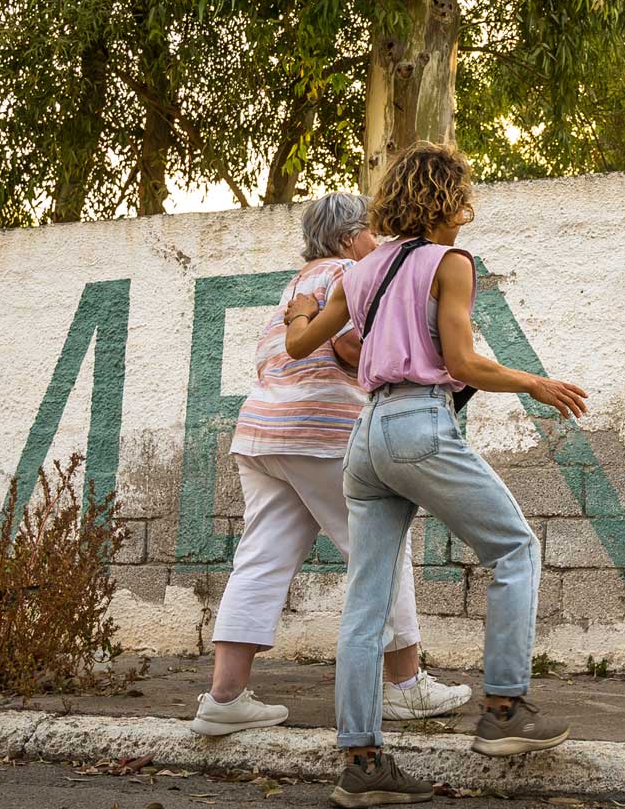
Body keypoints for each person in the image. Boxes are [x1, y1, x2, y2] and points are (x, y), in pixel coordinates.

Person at [286, 142, 588, 808]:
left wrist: (299, 311)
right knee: (514, 548)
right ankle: (505, 712)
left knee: (366, 603)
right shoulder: (449, 264)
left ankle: (362, 761)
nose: (467, 214)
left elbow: (301, 344)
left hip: (365, 439)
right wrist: (536, 384)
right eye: (463, 201)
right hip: (418, 425)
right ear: (446, 202)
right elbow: (464, 360)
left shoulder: (360, 272)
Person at [188, 193, 473, 738]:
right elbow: (349, 345)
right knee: (383, 548)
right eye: (371, 230)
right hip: (323, 434)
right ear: (349, 238)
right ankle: (406, 687)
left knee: (262, 559)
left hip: (262, 433)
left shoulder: (295, 285)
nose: (381, 239)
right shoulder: (352, 271)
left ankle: (224, 697)